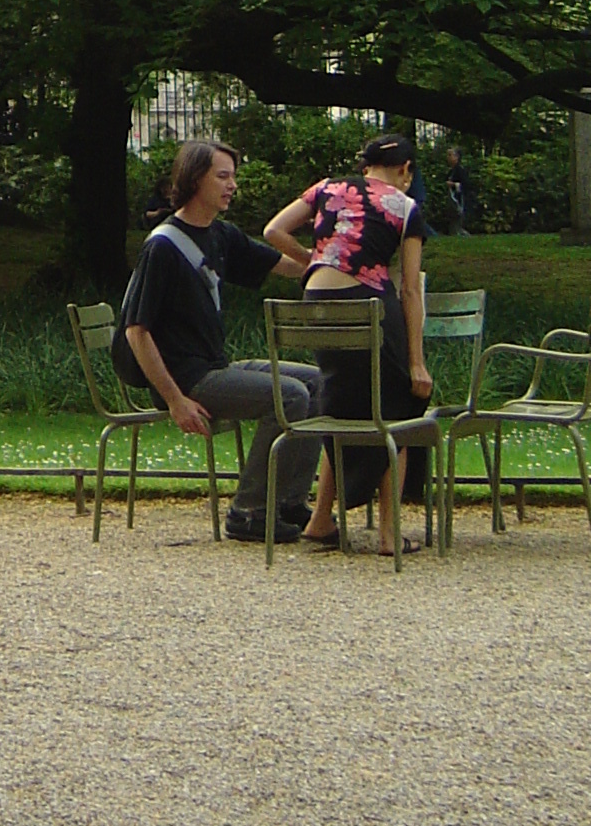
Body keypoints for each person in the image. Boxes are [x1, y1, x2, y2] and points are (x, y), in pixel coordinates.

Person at [113, 138, 326, 545]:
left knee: (319, 382)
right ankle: (248, 511)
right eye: (223, 176)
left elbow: (279, 264)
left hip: (215, 366)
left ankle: (288, 504)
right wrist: (175, 401)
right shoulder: (162, 247)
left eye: (234, 177)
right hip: (186, 379)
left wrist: (330, 264)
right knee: (291, 395)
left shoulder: (220, 234)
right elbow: (136, 332)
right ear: (195, 179)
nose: (232, 186)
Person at [264, 130, 432, 557]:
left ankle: (321, 520)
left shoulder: (326, 188)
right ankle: (390, 534)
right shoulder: (405, 207)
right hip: (366, 303)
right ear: (405, 170)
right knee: (396, 406)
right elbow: (410, 290)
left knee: (340, 402)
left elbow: (273, 230)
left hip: (317, 303)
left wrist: (316, 260)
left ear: (365, 166)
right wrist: (416, 362)